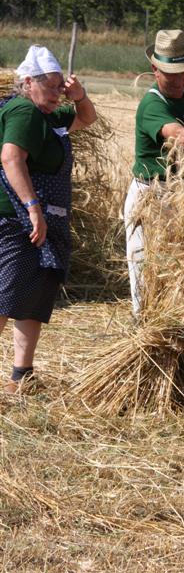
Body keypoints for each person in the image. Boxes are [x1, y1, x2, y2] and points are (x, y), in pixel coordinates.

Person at [0, 44, 97, 394]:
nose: (59, 93)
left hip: (37, 223)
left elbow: (87, 118)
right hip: (15, 222)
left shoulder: (47, 117)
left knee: (32, 296)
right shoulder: (25, 112)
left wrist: (79, 95)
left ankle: (20, 376)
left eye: (61, 86)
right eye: (52, 86)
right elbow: (11, 159)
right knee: (6, 295)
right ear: (29, 83)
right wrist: (33, 208)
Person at [124, 29, 184, 315]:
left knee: (183, 266)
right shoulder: (151, 104)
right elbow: (177, 134)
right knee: (145, 268)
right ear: (155, 70)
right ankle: (144, 328)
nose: (178, 80)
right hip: (150, 197)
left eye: (183, 72)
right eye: (170, 73)